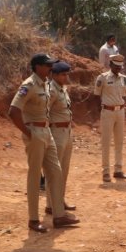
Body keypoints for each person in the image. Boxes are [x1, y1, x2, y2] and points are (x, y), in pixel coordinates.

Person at [9, 54, 80, 232]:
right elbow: (13, 111)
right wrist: (28, 132)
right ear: (37, 66)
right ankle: (33, 220)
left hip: (47, 132)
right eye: (47, 65)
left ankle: (58, 215)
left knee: (55, 172)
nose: (50, 68)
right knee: (34, 176)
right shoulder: (29, 85)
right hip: (35, 132)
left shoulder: (46, 84)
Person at [46, 61, 76, 215]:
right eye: (63, 74)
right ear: (54, 75)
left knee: (64, 169)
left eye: (66, 74)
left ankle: (60, 199)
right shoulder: (51, 90)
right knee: (54, 170)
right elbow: (45, 112)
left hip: (66, 131)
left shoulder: (62, 89)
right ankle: (51, 204)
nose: (66, 77)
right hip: (56, 132)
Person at [95, 54, 126, 182]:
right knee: (106, 142)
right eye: (116, 66)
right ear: (111, 65)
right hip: (107, 111)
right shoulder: (102, 78)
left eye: (120, 67)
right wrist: (101, 110)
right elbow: (96, 95)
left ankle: (118, 169)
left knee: (119, 141)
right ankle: (105, 172)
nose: (118, 69)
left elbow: (124, 94)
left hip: (120, 111)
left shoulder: (123, 79)